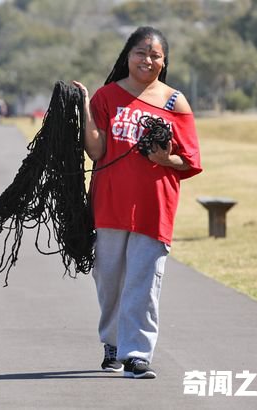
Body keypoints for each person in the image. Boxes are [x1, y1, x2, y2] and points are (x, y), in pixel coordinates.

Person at [73, 26, 202, 379]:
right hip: (110, 202)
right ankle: (112, 343)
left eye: (155, 55)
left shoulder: (175, 102)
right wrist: (85, 108)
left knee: (144, 281)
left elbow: (190, 159)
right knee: (109, 277)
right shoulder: (106, 96)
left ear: (164, 61)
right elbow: (97, 150)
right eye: (141, 53)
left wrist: (164, 160)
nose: (148, 60)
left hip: (154, 205)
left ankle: (136, 354)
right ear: (127, 56)